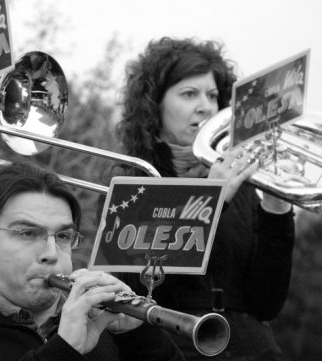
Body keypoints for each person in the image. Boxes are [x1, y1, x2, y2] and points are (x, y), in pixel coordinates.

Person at [113, 37, 295, 360]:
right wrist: (212, 200)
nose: (206, 106)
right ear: (154, 106)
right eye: (189, 94)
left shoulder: (242, 185)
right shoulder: (135, 182)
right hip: (174, 349)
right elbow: (136, 290)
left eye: (212, 96)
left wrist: (276, 209)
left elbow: (267, 303)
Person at [0, 163, 185, 361]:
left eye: (62, 236)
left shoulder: (104, 334)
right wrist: (64, 349)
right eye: (27, 233)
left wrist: (139, 335)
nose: (50, 252)